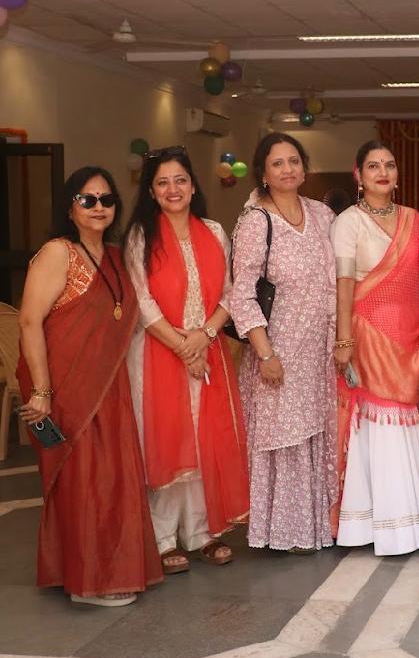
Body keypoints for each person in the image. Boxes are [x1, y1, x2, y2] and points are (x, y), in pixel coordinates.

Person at [16, 167, 163, 606]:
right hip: (66, 387)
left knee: (113, 479)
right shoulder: (57, 252)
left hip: (111, 385)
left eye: (107, 199)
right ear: (70, 207)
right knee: (82, 481)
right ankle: (87, 582)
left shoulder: (116, 256)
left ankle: (112, 571)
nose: (99, 207)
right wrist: (42, 391)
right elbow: (29, 322)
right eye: (88, 199)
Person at [124, 147, 249, 575]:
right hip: (157, 351)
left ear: (193, 187)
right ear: (151, 192)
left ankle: (201, 533)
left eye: (180, 180)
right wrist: (183, 348)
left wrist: (204, 336)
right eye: (162, 182)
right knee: (165, 440)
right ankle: (162, 538)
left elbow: (231, 292)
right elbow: (142, 301)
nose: (172, 189)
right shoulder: (141, 237)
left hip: (208, 348)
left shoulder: (214, 232)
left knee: (202, 439)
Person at [231, 132, 338, 553]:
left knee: (313, 433)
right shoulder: (256, 221)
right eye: (277, 163)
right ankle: (283, 533)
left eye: (294, 161)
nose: (288, 169)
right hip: (278, 350)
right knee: (284, 438)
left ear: (304, 167)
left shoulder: (322, 214)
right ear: (263, 173)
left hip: (318, 350)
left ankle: (313, 527)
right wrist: (265, 353)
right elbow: (242, 294)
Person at [331, 140, 419, 556]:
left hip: (413, 332)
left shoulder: (414, 218)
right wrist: (343, 340)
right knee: (380, 423)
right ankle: (378, 526)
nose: (382, 172)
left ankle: (414, 523)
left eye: (389, 165)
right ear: (359, 174)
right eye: (373, 166)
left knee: (409, 418)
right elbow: (344, 284)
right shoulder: (348, 222)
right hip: (368, 331)